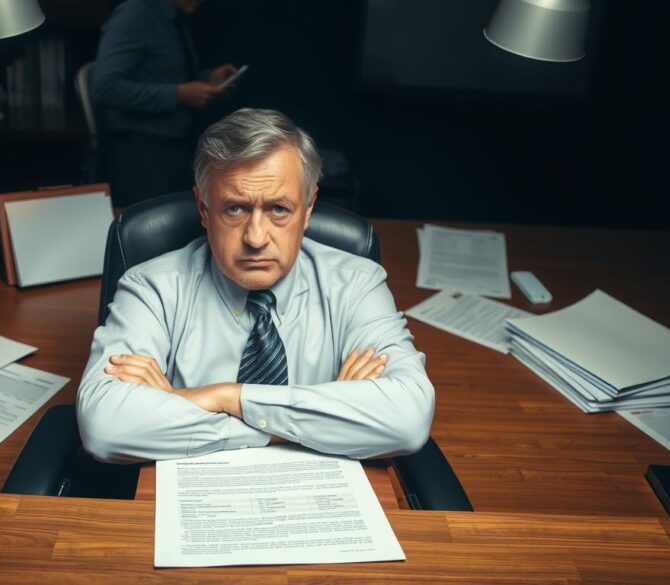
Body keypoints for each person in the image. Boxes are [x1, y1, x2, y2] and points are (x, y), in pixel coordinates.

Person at [77, 108, 434, 463]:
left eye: (279, 209)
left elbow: (407, 421)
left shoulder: (356, 283)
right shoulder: (151, 287)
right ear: (203, 208)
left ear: (308, 208)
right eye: (235, 209)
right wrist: (323, 420)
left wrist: (220, 398)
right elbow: (105, 428)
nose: (256, 237)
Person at [90, 0, 238, 206]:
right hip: (141, 155)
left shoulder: (174, 18)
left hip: (176, 148)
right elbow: (104, 87)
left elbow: (163, 75)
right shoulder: (135, 14)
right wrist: (178, 94)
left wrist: (207, 78)